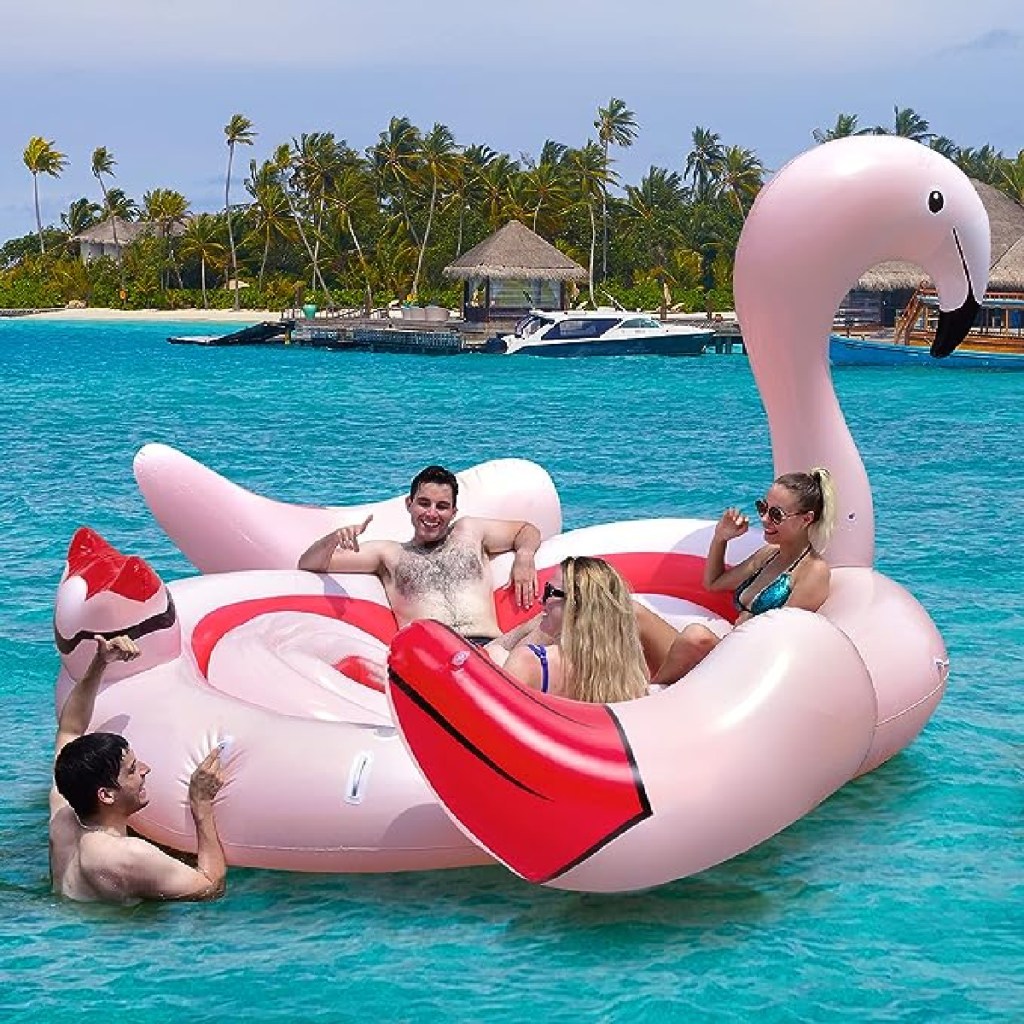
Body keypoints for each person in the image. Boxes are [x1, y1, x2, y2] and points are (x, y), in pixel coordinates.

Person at [50, 635, 229, 904]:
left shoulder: (63, 818)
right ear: (106, 795)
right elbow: (210, 887)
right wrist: (201, 805)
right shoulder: (127, 855)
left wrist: (100, 663)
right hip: (116, 942)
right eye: (132, 769)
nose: (145, 770)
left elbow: (70, 728)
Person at [298, 464, 541, 645]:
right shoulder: (389, 554)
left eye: (442, 506)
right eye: (424, 503)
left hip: (490, 648)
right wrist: (334, 538)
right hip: (433, 654)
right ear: (409, 504)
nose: (432, 514)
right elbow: (309, 563)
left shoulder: (470, 532)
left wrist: (525, 557)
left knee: (547, 624)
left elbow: (526, 530)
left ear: (453, 511)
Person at [649, 467, 836, 684]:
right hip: (724, 652)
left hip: (747, 667)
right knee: (634, 612)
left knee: (695, 637)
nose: (765, 519)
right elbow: (713, 583)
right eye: (762, 508)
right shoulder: (769, 555)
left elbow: (782, 638)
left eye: (776, 515)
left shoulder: (813, 570)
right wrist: (721, 539)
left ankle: (650, 696)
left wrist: (719, 645)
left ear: (806, 519)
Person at [502, 556, 649, 703]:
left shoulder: (529, 663)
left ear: (576, 606)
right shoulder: (630, 677)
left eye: (549, 591)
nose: (541, 599)